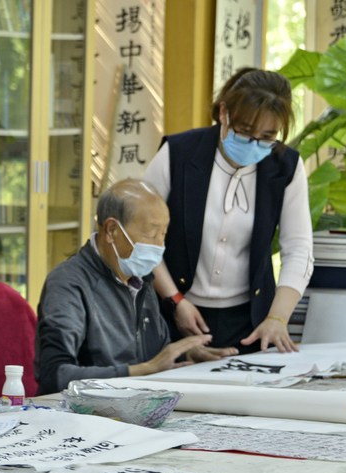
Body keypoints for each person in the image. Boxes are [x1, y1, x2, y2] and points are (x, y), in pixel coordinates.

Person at [142, 67, 313, 354]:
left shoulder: (286, 167)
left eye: (267, 136)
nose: (254, 143)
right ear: (224, 113)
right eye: (245, 132)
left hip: (249, 323)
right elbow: (141, 235)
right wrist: (175, 300)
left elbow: (298, 248)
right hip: (172, 311)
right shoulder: (179, 153)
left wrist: (277, 317)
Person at [35, 179, 238, 395]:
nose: (159, 246)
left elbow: (155, 355)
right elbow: (54, 375)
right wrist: (144, 370)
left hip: (139, 405)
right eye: (151, 234)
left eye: (163, 234)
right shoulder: (69, 283)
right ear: (112, 230)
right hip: (86, 416)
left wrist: (187, 354)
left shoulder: (140, 279)